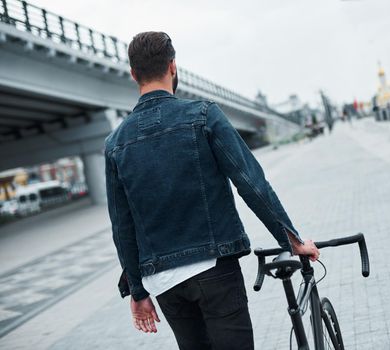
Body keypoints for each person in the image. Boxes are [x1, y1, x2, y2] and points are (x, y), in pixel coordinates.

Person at [104, 31, 319, 350]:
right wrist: (292, 240)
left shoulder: (115, 144)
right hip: (214, 269)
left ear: (134, 73)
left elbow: (122, 227)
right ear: (173, 66)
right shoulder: (202, 116)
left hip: (164, 282)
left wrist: (137, 291)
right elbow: (251, 182)